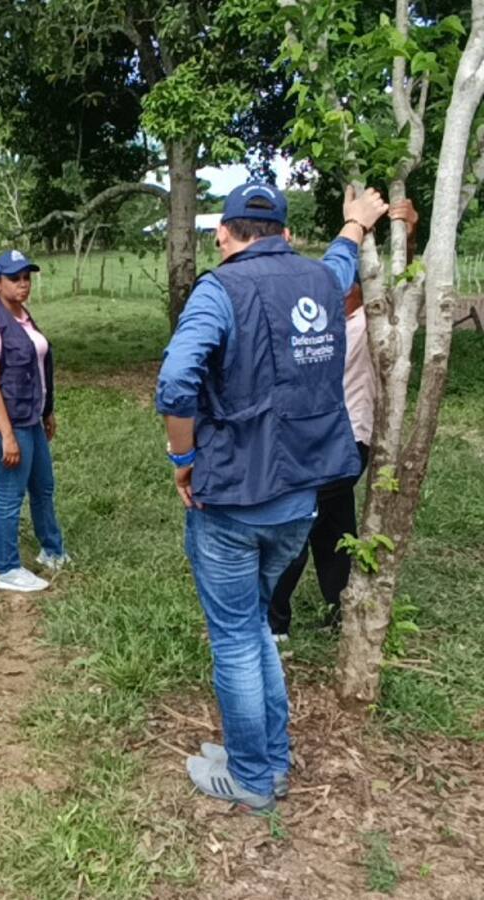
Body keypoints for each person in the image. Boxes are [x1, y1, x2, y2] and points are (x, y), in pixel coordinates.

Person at [156, 183, 389, 813]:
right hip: (299, 499)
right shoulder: (321, 280)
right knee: (254, 626)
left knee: (235, 636)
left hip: (232, 500)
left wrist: (184, 459)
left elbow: (177, 380)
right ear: (285, 234)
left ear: (225, 236)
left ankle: (254, 779)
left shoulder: (219, 290)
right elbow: (343, 258)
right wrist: (354, 221)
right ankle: (266, 759)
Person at [268, 281, 375, 638]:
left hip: (345, 438)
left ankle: (274, 620)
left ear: (354, 293)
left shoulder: (366, 326)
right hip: (335, 439)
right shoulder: (341, 327)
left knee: (298, 520)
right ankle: (342, 610)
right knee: (335, 528)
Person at [0, 249, 68, 593]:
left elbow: (35, 370)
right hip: (8, 425)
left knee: (43, 487)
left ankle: (52, 550)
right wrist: (7, 435)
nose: (23, 284)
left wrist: (47, 410)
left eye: (27, 277)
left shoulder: (23, 317)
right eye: (15, 278)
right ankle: (7, 567)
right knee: (10, 495)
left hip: (30, 419)